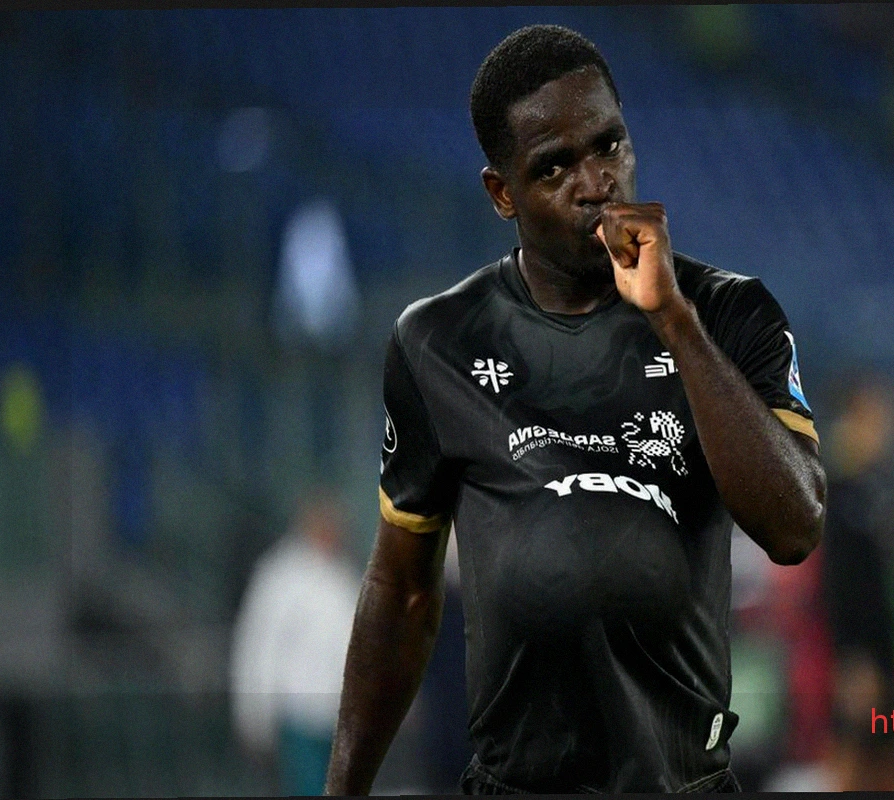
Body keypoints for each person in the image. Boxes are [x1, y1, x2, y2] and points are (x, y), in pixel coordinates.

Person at [325, 25, 825, 794]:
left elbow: (794, 529)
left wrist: (674, 321)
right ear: (502, 194)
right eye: (554, 167)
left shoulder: (730, 314)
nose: (597, 184)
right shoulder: (437, 342)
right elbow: (403, 590)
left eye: (609, 146)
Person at [230, 488, 361, 796]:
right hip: (299, 712)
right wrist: (253, 711)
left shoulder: (344, 575)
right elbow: (260, 646)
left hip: (339, 714)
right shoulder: (281, 575)